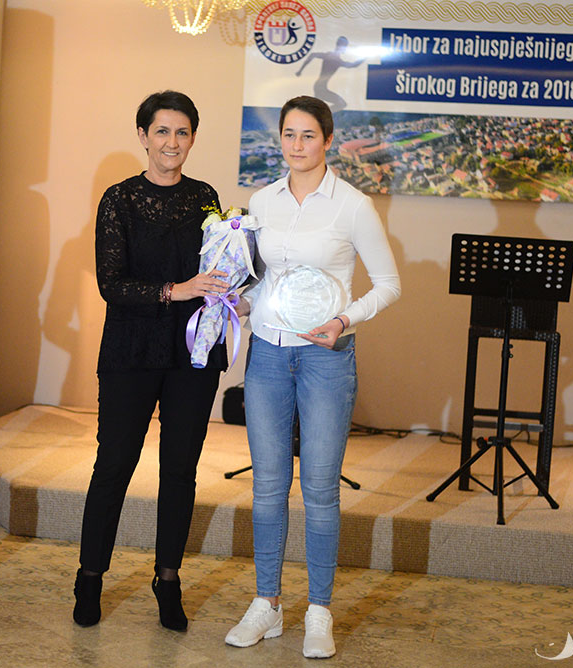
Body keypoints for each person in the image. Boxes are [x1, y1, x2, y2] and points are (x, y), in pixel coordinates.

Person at [225, 95, 401, 658]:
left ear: (327, 140)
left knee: (320, 490)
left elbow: (389, 284)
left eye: (307, 135)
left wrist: (344, 320)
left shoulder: (353, 206)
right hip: (267, 356)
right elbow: (259, 278)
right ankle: (268, 604)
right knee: (268, 487)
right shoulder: (261, 201)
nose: (297, 145)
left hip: (326, 359)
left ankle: (319, 611)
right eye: (288, 134)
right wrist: (237, 302)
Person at [72, 90, 230, 632]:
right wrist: (176, 289)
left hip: (193, 352)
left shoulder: (205, 196)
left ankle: (168, 579)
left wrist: (231, 287)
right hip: (130, 350)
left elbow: (218, 269)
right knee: (114, 464)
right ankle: (90, 577)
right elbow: (112, 284)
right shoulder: (118, 199)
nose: (172, 142)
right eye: (162, 131)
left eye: (182, 132)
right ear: (143, 136)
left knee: (180, 470)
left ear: (193, 138)